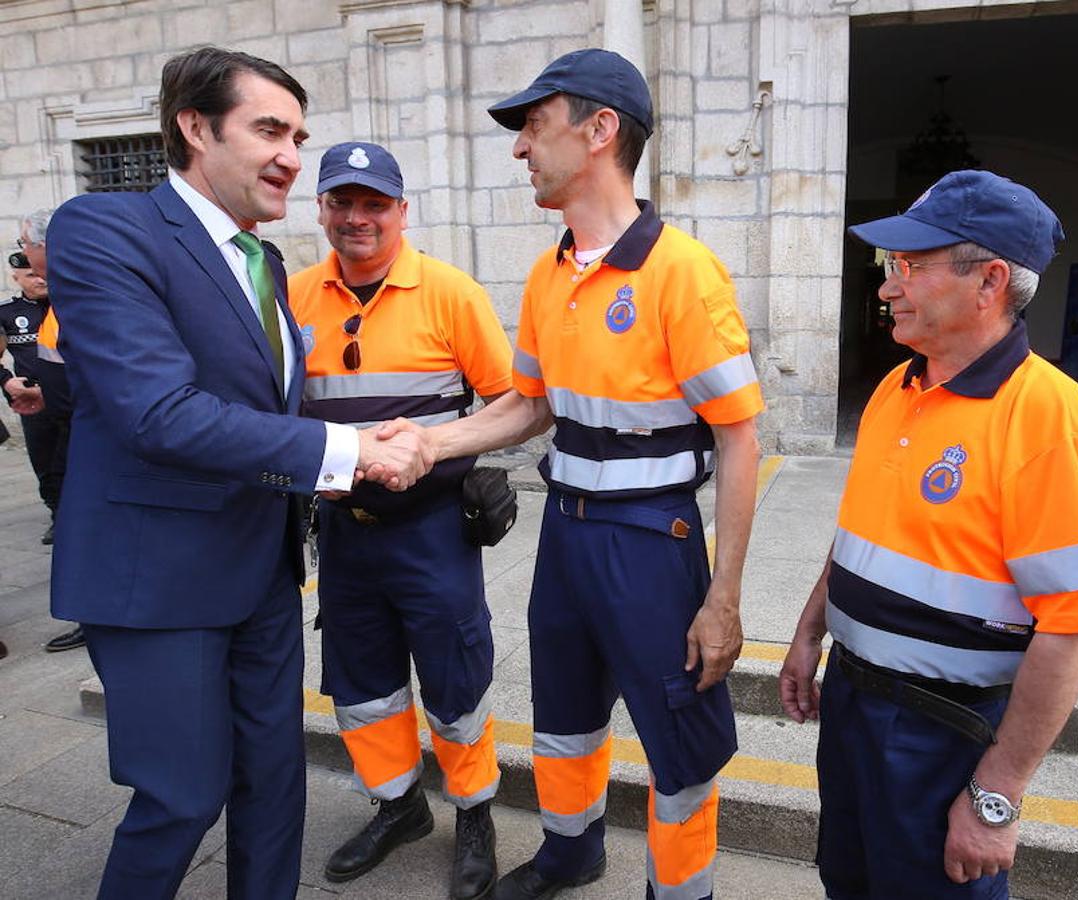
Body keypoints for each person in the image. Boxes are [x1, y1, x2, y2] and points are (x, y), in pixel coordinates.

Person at [44, 47, 432, 900]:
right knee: (181, 798)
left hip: (261, 575)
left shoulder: (265, 264)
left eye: (298, 134)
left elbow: (261, 418)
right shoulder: (105, 229)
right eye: (268, 129)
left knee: (274, 789)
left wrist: (345, 466)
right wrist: (351, 451)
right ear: (193, 126)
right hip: (156, 580)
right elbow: (157, 411)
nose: (293, 155)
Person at [384, 48, 763, 900]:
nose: (520, 148)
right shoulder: (548, 272)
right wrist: (429, 442)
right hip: (566, 530)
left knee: (681, 735)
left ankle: (681, 889)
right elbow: (529, 405)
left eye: (533, 124)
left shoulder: (680, 271)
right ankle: (568, 851)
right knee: (562, 712)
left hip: (648, 540)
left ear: (599, 131)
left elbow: (740, 438)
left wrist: (723, 597)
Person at [777, 170, 1078, 900]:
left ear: (991, 282)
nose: (886, 288)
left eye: (910, 267)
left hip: (941, 735)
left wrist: (993, 798)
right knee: (847, 880)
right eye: (890, 267)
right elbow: (859, 535)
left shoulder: (1049, 421)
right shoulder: (897, 387)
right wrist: (811, 629)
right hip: (852, 704)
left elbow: (1072, 629)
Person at [288, 141, 512, 898]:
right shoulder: (291, 298)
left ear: (401, 211)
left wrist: (460, 457)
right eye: (341, 202)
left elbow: (514, 402)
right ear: (319, 209)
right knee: (360, 685)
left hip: (433, 530)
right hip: (345, 535)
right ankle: (398, 806)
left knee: (456, 678)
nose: (357, 218)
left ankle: (474, 814)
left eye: (373, 203)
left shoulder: (449, 292)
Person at [15, 210, 87, 653]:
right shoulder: (56, 295)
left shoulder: (79, 289)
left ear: (43, 246)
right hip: (64, 424)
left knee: (81, 526)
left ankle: (95, 616)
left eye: (25, 244)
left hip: (85, 434)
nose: (23, 254)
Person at [1, 249, 68, 543]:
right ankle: (58, 515)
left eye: (41, 272)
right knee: (45, 462)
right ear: (16, 277)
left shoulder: (66, 305)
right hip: (33, 402)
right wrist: (7, 382)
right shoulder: (7, 312)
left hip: (69, 399)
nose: (40, 279)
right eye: (30, 275)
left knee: (73, 460)